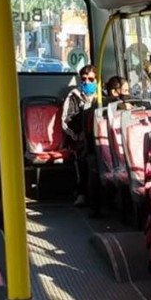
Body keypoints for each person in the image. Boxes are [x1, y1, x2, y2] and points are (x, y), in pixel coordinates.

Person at [61, 64, 97, 207]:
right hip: (80, 138)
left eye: (91, 79)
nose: (87, 82)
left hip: (99, 137)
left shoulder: (102, 97)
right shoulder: (74, 97)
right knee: (82, 157)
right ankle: (82, 192)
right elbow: (66, 120)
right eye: (84, 79)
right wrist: (77, 135)